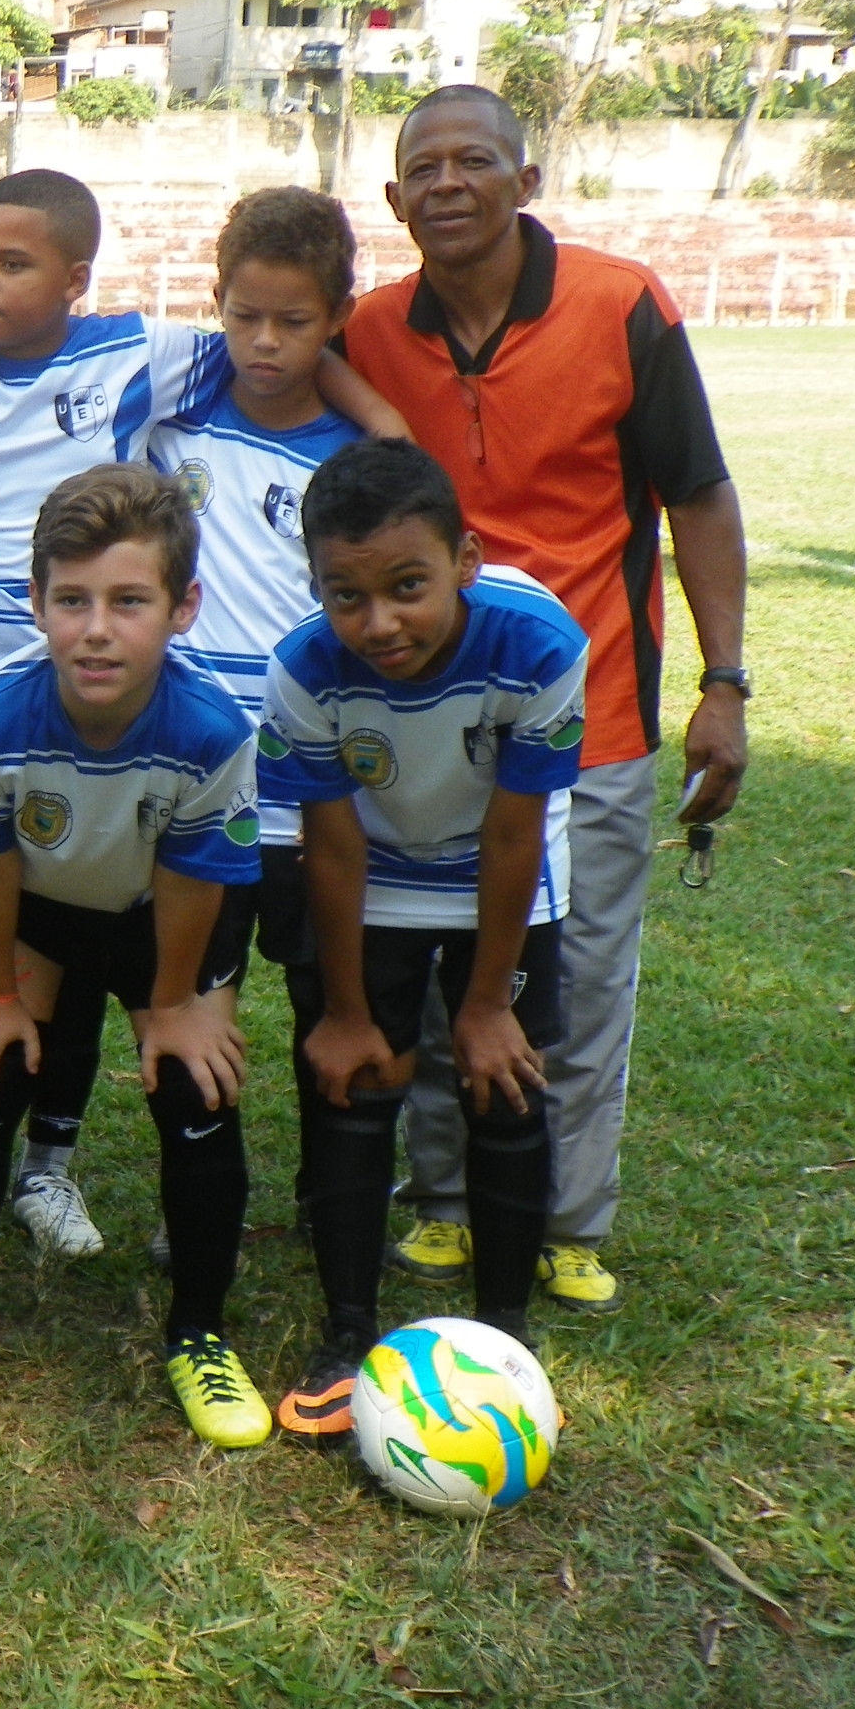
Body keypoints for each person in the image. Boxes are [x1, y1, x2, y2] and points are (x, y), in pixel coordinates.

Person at [0, 169, 402, 1275]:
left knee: (118, 936)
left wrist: (387, 434)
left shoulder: (150, 356)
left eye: (12, 264)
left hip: (153, 722)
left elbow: (281, 344)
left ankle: (52, 1163)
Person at [342, 85, 747, 1318]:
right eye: (425, 167)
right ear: (394, 197)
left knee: (576, 978)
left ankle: (568, 1218)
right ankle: (445, 1204)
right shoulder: (370, 331)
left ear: (527, 181)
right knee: (432, 963)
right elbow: (243, 351)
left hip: (595, 716)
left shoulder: (621, 305)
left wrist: (725, 683)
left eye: (475, 160)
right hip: (424, 721)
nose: (448, 183)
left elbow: (700, 497)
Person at [0, 463, 269, 1446]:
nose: (97, 629)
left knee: (197, 1088)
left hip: (160, 912)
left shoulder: (214, 727)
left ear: (183, 608)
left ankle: (199, 1334)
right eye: (72, 600)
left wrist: (177, 1003)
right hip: (31, 907)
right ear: (37, 603)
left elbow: (193, 880)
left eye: (129, 601)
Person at [254, 437, 587, 1440]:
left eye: (408, 586)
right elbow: (333, 847)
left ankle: (505, 1338)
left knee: (504, 1087)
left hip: (504, 878)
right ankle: (347, 1335)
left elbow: (513, 833)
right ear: (317, 586)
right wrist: (347, 1013)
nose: (379, 622)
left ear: (465, 560)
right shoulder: (303, 669)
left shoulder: (541, 643)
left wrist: (485, 1006)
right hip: (379, 874)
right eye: (345, 595)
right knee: (354, 1086)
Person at [144, 188, 371, 1245]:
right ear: (217, 304)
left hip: (320, 797)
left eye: (295, 321)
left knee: (333, 1003)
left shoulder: (355, 461)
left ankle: (333, 1204)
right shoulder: (165, 427)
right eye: (245, 317)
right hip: (200, 794)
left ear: (338, 319)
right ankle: (200, 1208)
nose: (266, 342)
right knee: (193, 1005)